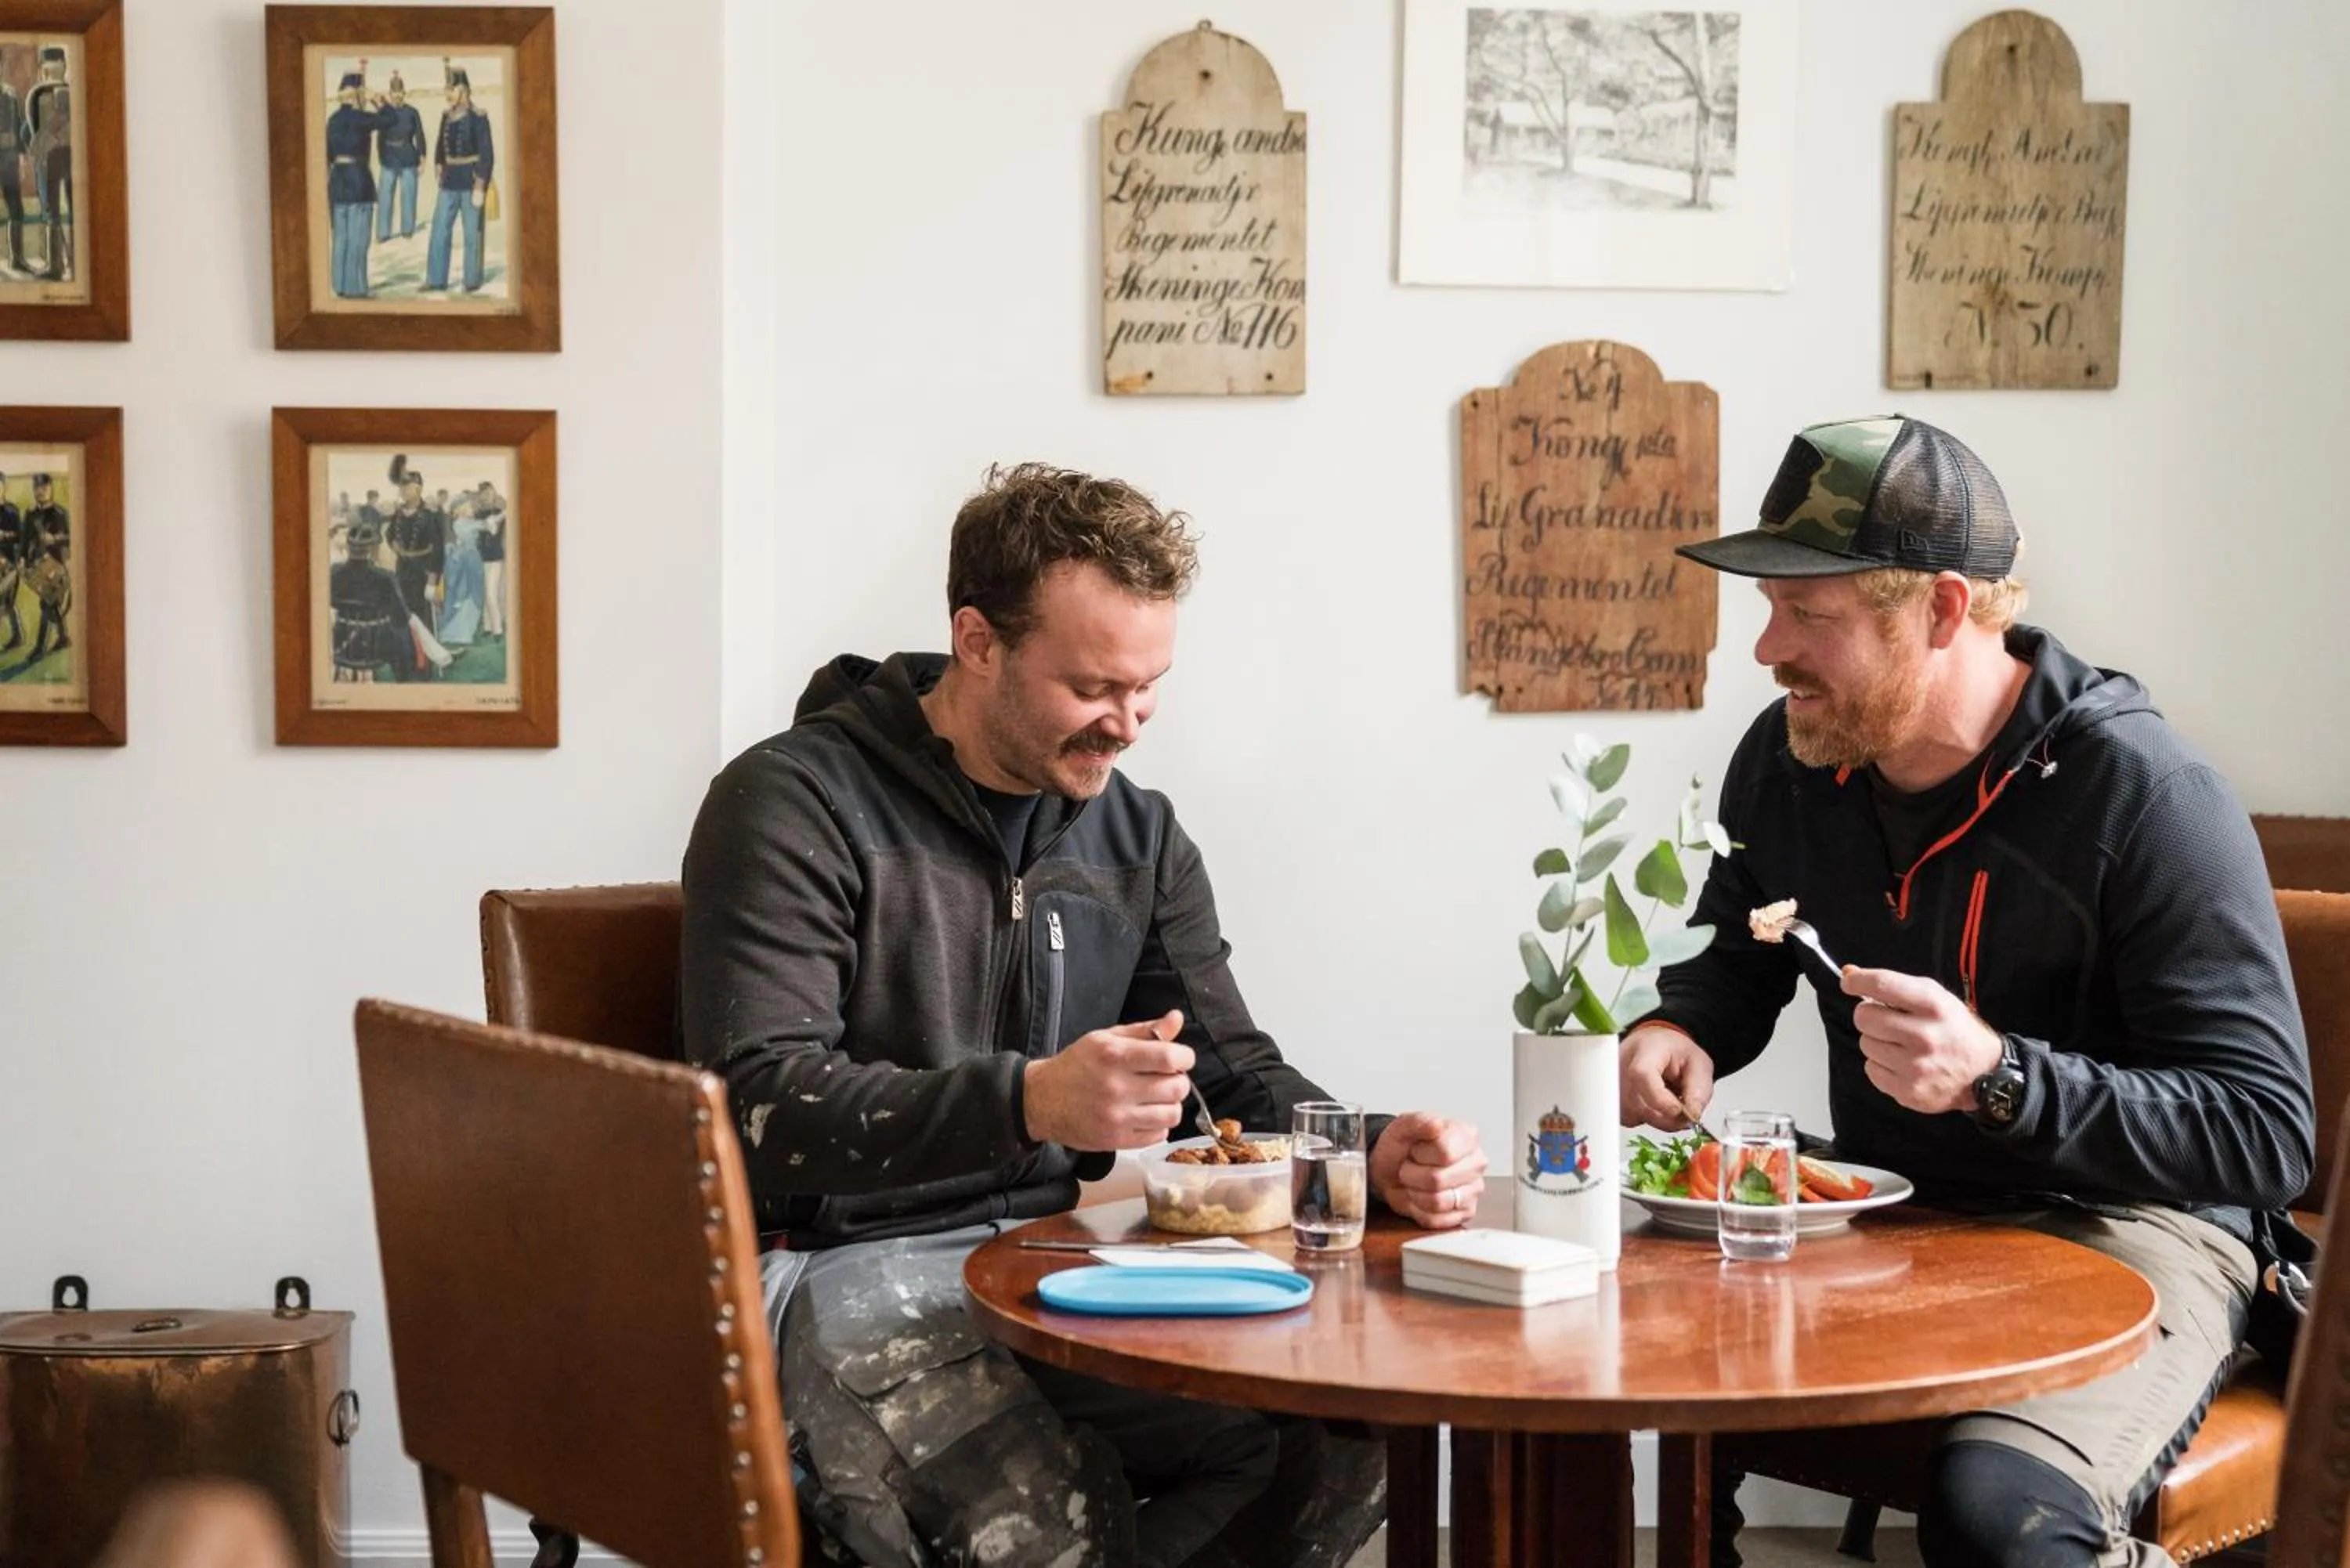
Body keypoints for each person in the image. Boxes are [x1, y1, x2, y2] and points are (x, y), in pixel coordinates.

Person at [680, 463, 1488, 1568]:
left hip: (1045, 1258)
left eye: (1150, 687)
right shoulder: (793, 800)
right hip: (837, 1266)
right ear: (977, 641)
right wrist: (1029, 1100)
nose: (1129, 725)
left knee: (1348, 1440)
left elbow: (1230, 1072)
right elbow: (759, 1105)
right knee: (1058, 1520)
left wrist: (1369, 1148)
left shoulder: (1137, 837)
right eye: (1095, 687)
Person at [1618, 415, 2314, 1568]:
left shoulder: (2148, 796)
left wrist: (2003, 1078)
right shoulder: (1792, 758)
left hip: (2131, 1226)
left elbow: (2263, 1135)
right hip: (1897, 1207)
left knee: (1998, 1521)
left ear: (1943, 610)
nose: (1768, 649)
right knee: (1609, 1357)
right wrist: (1677, 1024)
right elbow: (1741, 953)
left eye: (1810, 614)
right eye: (1769, 606)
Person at [425, 64, 493, 294]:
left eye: (450, 90)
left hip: (471, 181)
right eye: (446, 89)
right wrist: (438, 164)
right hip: (449, 180)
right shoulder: (446, 116)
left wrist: (481, 184)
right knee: (439, 230)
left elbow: (487, 153)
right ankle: (436, 280)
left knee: (472, 233)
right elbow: (440, 145)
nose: (447, 94)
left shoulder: (478, 117)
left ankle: (472, 281)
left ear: (462, 90)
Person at [323, 70, 391, 298]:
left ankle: (340, 285)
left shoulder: (332, 120)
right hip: (359, 182)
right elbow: (390, 120)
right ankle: (356, 288)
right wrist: (378, 100)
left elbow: (327, 156)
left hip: (337, 183)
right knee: (358, 239)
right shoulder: (361, 118)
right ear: (358, 95)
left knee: (340, 238)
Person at [27, 45, 70, 281]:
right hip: (65, 156)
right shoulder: (70, 92)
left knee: (53, 210)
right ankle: (65, 262)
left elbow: (30, 130)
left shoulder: (38, 93)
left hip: (50, 157)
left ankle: (57, 266)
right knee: (62, 209)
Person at [373, 72, 426, 242]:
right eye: (394, 93)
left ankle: (407, 230)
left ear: (404, 93)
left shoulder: (412, 112)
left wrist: (422, 157)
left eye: (399, 93)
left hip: (409, 158)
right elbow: (380, 138)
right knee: (385, 197)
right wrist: (382, 157)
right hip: (389, 159)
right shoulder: (384, 112)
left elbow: (420, 135)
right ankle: (383, 233)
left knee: (409, 196)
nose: (397, 96)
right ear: (390, 94)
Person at [23, 471, 69, 663]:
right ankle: (64, 637)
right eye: (37, 488)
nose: (40, 491)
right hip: (37, 567)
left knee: (46, 603)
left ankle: (40, 648)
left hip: (56, 565)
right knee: (51, 603)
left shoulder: (60, 513)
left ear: (51, 488)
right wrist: (23, 558)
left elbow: (71, 538)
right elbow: (25, 540)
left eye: (44, 487)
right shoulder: (30, 514)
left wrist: (54, 539)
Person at [0, 63, 29, 275]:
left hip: (9, 159)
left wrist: (21, 158)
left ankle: (16, 260)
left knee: (16, 208)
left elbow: (18, 126)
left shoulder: (10, 94)